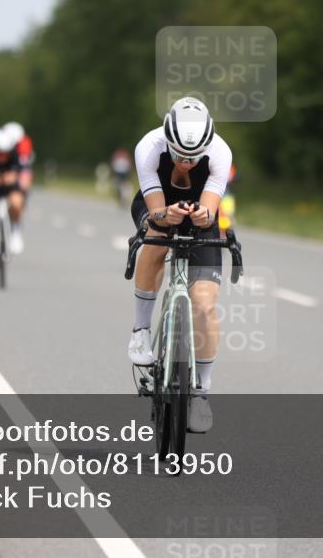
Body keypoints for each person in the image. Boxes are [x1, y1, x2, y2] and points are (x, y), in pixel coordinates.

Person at [128, 96, 231, 433]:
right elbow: (156, 207)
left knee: (204, 306)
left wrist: (203, 216)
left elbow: (210, 208)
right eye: (178, 154)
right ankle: (141, 331)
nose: (186, 162)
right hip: (157, 206)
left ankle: (201, 391)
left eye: (193, 156)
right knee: (156, 233)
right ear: (167, 140)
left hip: (200, 214)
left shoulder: (219, 152)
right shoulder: (149, 147)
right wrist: (165, 215)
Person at [0, 124, 35, 268]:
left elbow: (18, 173)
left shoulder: (15, 154)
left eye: (4, 153)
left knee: (17, 203)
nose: (1, 156)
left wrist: (10, 179)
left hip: (9, 185)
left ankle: (16, 231)